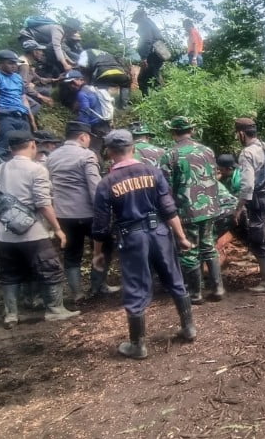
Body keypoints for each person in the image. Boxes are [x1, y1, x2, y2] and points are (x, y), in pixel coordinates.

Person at [92, 130, 196, 359]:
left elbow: (100, 226)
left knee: (137, 287)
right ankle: (189, 328)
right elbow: (169, 209)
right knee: (174, 278)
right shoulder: (153, 171)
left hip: (132, 238)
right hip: (159, 232)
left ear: (109, 152)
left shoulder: (107, 182)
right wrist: (181, 237)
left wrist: (98, 254)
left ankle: (138, 345)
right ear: (133, 148)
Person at [0, 130, 80, 328]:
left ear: (10, 149)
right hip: (33, 233)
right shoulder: (37, 170)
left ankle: (11, 314)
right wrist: (57, 228)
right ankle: (55, 310)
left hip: (6, 234)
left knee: (10, 273)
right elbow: (44, 203)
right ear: (33, 145)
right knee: (50, 269)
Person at [47, 121, 120, 302]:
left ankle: (77, 293)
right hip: (88, 213)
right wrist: (104, 212)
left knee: (72, 253)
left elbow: (49, 187)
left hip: (63, 215)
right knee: (105, 245)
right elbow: (95, 188)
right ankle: (98, 285)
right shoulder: (87, 156)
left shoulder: (52, 157)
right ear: (83, 137)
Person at [159, 116, 223, 302]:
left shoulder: (170, 155)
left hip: (187, 212)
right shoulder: (207, 151)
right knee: (208, 246)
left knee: (189, 250)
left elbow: (166, 188)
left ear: (173, 133)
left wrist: (168, 212)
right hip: (210, 207)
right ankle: (218, 289)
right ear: (192, 131)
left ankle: (196, 293)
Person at [233, 117, 265, 292]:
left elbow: (247, 185)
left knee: (261, 240)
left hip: (260, 202)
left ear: (241, 133)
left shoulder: (247, 153)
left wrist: (239, 208)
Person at [0, 50, 38, 171]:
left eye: (15, 63)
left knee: (26, 145)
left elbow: (23, 99)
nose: (14, 66)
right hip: (5, 115)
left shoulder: (18, 78)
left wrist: (32, 120)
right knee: (0, 147)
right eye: (10, 63)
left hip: (21, 116)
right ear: (1, 63)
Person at [62, 70, 112, 157]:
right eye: (70, 84)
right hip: (105, 124)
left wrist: (82, 128)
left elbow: (85, 110)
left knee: (93, 152)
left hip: (96, 127)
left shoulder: (82, 94)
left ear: (80, 80)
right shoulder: (91, 89)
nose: (71, 86)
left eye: (73, 83)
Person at [18, 40, 56, 120]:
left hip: (25, 89)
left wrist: (55, 79)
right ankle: (23, 120)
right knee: (36, 106)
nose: (42, 53)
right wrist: (41, 97)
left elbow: (38, 78)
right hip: (17, 92)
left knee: (48, 91)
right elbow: (23, 86)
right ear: (34, 52)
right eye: (40, 50)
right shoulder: (24, 65)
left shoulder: (27, 62)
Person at [132, 9, 165, 96]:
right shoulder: (151, 23)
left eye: (137, 20)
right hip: (158, 54)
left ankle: (165, 100)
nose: (137, 22)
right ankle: (151, 101)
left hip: (152, 56)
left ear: (140, 17)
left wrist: (144, 58)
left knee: (146, 79)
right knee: (150, 77)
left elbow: (147, 40)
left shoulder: (144, 24)